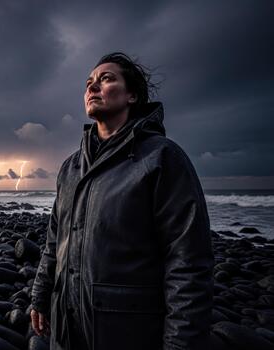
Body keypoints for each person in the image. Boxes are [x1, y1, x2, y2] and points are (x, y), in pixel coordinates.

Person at [30, 52, 214, 350]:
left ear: (132, 95)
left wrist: (182, 343)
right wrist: (41, 295)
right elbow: (55, 239)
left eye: (106, 79)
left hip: (127, 333)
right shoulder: (71, 167)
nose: (92, 87)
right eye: (89, 82)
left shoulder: (162, 158)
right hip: (67, 330)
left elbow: (188, 261)